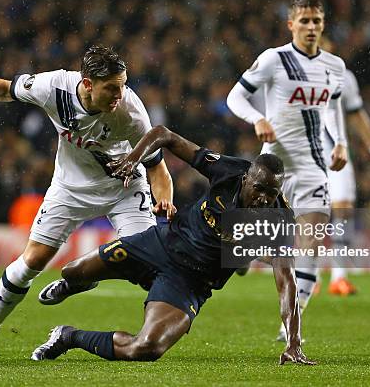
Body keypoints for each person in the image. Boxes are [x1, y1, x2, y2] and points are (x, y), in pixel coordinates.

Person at [0, 46, 175, 357]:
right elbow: (6, 89)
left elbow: (158, 168)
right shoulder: (53, 87)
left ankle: (80, 279)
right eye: (111, 87)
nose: (119, 93)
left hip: (123, 189)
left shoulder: (132, 112)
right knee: (29, 265)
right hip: (69, 187)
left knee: (146, 260)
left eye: (123, 84)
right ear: (87, 84)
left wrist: (164, 203)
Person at [32, 125, 315, 365]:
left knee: (146, 348)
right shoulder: (228, 170)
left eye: (272, 193)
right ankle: (80, 282)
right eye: (260, 189)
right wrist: (133, 158)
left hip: (191, 281)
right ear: (245, 180)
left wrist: (293, 342)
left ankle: (68, 336)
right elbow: (163, 135)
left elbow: (286, 281)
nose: (265, 199)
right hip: (161, 243)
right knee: (72, 271)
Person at [226, 0, 348, 342]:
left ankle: (290, 325)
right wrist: (257, 118)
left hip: (312, 167)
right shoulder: (273, 59)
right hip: (272, 171)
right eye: (305, 21)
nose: (311, 27)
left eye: (317, 21)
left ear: (323, 25)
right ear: (291, 24)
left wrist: (340, 142)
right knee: (254, 248)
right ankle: (250, 249)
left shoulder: (334, 66)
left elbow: (333, 108)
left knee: (310, 246)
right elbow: (235, 97)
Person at [320, 39, 370, 296]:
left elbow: (355, 114)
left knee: (342, 210)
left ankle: (339, 277)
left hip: (336, 154)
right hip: (300, 153)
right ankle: (307, 275)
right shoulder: (289, 73)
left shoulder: (345, 76)